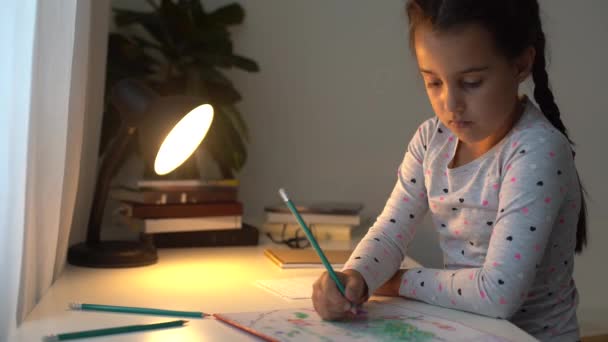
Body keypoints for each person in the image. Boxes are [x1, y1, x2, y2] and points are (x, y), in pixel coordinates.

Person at [311, 1, 587, 340]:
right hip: (463, 330)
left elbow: (498, 293)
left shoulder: (537, 150)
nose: (450, 104)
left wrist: (392, 281)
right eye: (433, 83)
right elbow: (389, 233)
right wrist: (357, 276)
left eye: (471, 82)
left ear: (521, 64)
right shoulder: (432, 141)